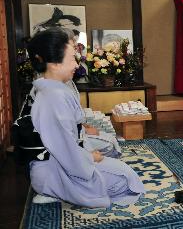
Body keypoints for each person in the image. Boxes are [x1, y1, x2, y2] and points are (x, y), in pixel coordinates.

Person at [27, 27, 145, 207]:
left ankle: (56, 189)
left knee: (117, 162)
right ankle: (54, 190)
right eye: (72, 58)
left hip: (57, 164)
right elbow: (65, 149)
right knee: (126, 182)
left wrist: (89, 153)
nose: (76, 64)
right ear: (54, 63)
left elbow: (70, 140)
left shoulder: (53, 88)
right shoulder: (54, 98)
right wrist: (89, 158)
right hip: (53, 171)